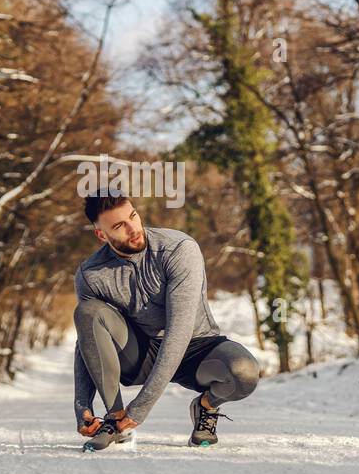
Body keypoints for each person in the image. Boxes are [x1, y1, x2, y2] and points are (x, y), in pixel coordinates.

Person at [72, 191, 261, 450]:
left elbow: (179, 330)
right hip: (141, 352)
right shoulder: (91, 274)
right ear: (101, 235)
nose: (133, 228)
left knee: (244, 373)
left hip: (197, 347)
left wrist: (142, 406)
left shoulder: (178, 249)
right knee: (87, 312)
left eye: (133, 216)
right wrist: (82, 404)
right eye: (119, 226)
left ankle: (206, 407)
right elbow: (88, 336)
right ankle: (115, 420)